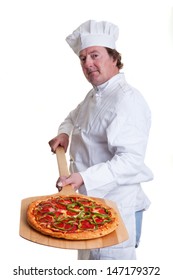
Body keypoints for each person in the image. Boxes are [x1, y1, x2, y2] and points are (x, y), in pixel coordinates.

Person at [48, 20, 153, 260]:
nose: (88, 64)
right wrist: (64, 132)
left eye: (95, 55)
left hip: (115, 209)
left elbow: (130, 162)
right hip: (87, 204)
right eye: (83, 59)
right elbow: (73, 116)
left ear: (114, 58)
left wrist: (83, 177)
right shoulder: (95, 94)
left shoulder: (128, 101)